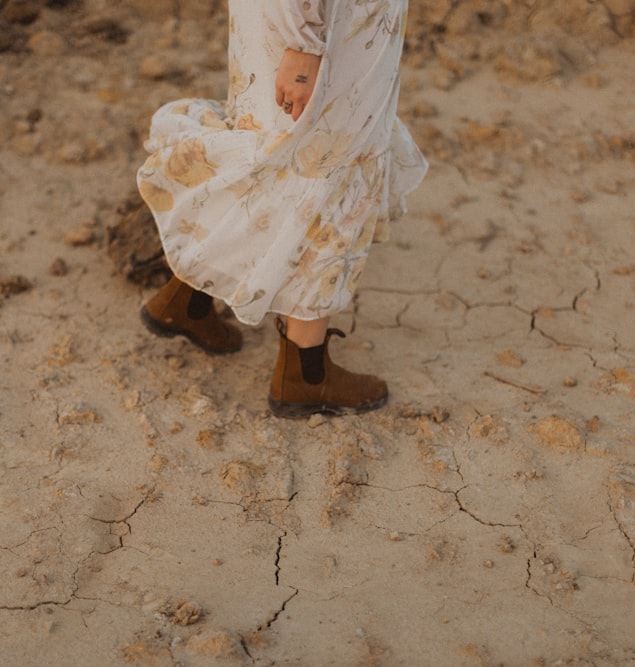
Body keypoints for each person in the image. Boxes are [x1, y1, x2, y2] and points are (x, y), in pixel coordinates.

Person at [136, 0, 428, 418]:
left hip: (307, 20)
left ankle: (188, 300)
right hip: (323, 23)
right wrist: (303, 44)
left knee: (279, 152)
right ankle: (305, 376)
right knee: (324, 169)